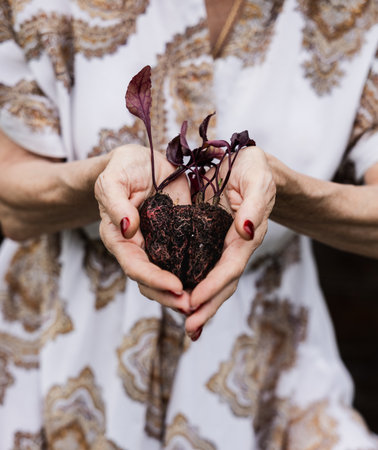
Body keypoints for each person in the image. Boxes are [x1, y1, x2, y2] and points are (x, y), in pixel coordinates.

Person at [0, 0, 377, 448]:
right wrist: (99, 181)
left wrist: (285, 192)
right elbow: (12, 205)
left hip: (268, 366)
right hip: (62, 351)